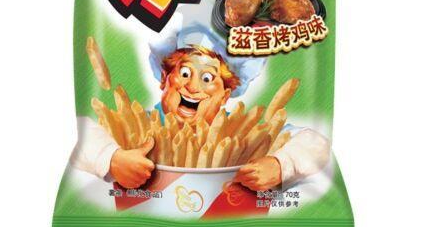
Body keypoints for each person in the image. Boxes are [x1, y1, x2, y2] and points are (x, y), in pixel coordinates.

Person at [71, 24, 330, 191]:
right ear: (164, 79)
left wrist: (281, 164)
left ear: (225, 95)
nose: (193, 87)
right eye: (184, 73)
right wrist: (112, 158)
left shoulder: (245, 136)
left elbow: (317, 144)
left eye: (207, 78)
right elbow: (78, 133)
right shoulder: (134, 126)